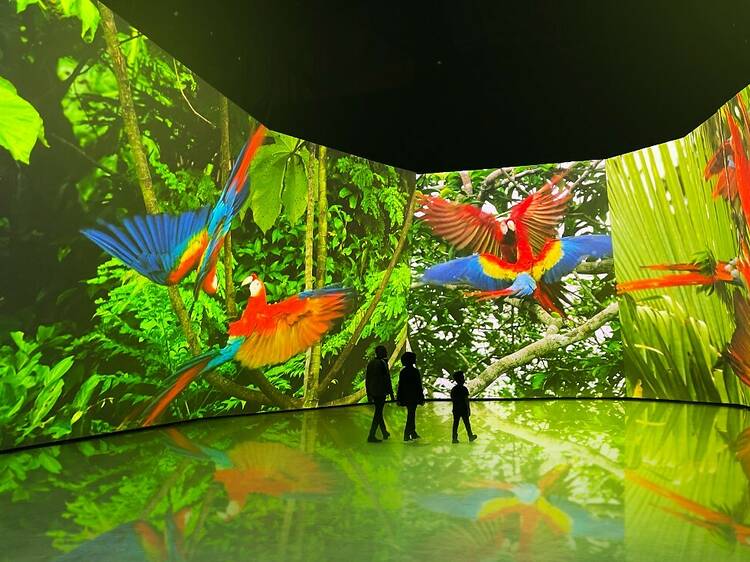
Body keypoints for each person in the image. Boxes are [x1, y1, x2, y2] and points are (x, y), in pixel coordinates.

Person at [365, 345, 395, 443]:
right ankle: (371, 435)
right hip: (380, 392)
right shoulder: (382, 363)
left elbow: (367, 380)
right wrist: (391, 394)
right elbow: (387, 379)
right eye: (385, 351)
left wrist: (368, 394)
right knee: (378, 413)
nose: (386, 353)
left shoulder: (371, 363)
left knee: (379, 412)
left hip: (373, 392)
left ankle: (384, 432)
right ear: (382, 353)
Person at [396, 351, 425, 441]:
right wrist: (421, 397)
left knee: (411, 414)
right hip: (413, 396)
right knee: (411, 415)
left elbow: (400, 385)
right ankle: (407, 434)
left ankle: (412, 432)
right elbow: (418, 386)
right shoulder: (414, 371)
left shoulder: (403, 372)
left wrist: (399, 397)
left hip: (406, 396)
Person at [450, 371, 477, 443]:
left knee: (455, 424)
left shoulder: (454, 389)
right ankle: (470, 436)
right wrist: (468, 409)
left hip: (456, 409)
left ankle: (454, 438)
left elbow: (453, 399)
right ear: (461, 379)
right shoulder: (464, 389)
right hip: (464, 409)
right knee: (467, 424)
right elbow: (466, 400)